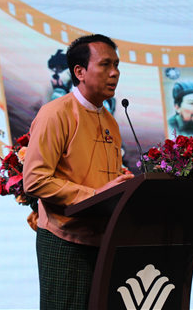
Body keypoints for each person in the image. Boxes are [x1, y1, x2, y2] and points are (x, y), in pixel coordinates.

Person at [23, 34, 134, 310]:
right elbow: (35, 180)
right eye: (105, 65)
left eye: (117, 65)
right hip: (65, 239)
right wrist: (94, 195)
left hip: (103, 240)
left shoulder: (110, 121)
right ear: (80, 72)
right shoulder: (55, 113)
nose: (114, 73)